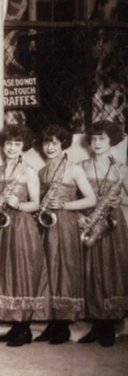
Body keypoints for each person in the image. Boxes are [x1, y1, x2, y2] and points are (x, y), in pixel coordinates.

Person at [0, 125, 49, 347]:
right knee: (6, 275)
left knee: (21, 275)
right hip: (1, 228)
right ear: (3, 145)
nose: (12, 148)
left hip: (20, 227)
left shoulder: (28, 171)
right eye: (9, 143)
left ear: (24, 147)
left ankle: (24, 329)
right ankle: (15, 327)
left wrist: (18, 204)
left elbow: (36, 205)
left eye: (17, 144)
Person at [35, 125, 97, 344]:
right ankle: (52, 323)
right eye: (46, 142)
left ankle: (63, 326)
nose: (49, 147)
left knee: (64, 271)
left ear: (63, 145)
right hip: (47, 226)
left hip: (66, 225)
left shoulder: (73, 169)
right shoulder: (42, 172)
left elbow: (91, 199)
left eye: (54, 143)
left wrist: (64, 204)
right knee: (49, 272)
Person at [77, 121, 128, 347]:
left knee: (111, 272)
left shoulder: (122, 168)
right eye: (94, 138)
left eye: (102, 139)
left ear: (112, 141)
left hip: (111, 225)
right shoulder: (81, 165)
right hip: (88, 223)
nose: (96, 143)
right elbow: (76, 195)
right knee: (89, 273)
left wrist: (122, 200)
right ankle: (96, 325)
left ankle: (108, 326)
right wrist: (79, 216)